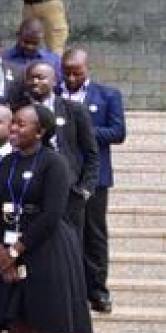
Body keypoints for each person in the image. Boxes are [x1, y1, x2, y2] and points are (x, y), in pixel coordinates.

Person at [0, 104, 93, 333]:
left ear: (41, 131)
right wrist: (0, 252)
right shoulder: (7, 162)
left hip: (47, 252)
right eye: (13, 123)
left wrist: (16, 250)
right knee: (18, 332)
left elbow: (51, 215)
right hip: (12, 251)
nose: (13, 128)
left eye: (21, 124)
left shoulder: (55, 163)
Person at [62, 49, 125, 312]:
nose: (71, 77)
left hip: (95, 177)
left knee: (95, 235)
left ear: (87, 68)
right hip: (62, 177)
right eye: (67, 72)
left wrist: (82, 131)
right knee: (68, 236)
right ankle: (71, 291)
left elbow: (118, 132)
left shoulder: (108, 95)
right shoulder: (54, 95)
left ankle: (98, 290)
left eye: (77, 72)